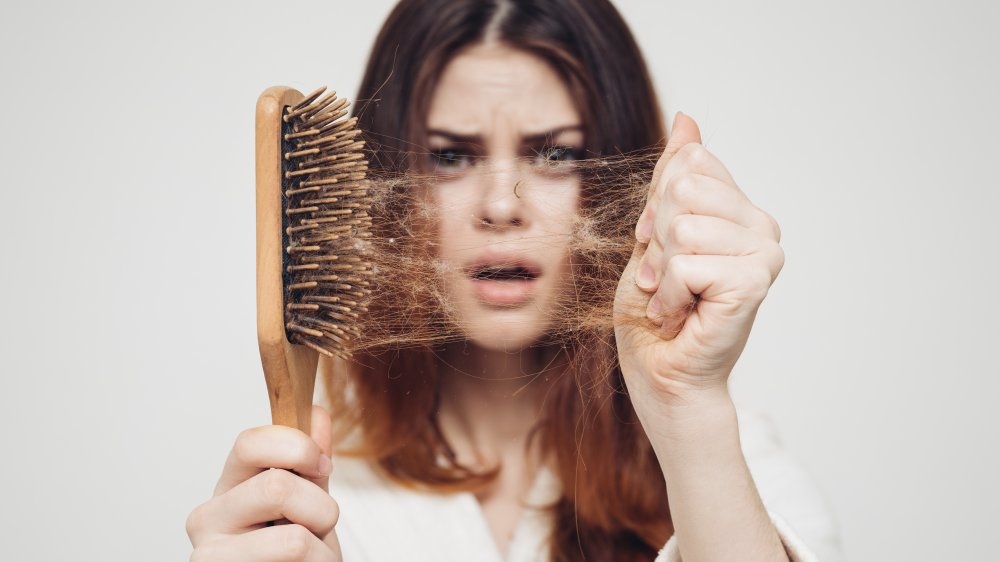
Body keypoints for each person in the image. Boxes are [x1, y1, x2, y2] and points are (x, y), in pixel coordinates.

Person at [187, 1, 840, 560]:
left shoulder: (726, 461)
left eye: (555, 154)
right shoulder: (313, 503)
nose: (502, 204)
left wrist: (684, 407)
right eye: (450, 156)